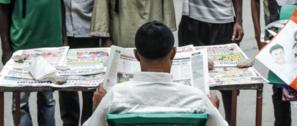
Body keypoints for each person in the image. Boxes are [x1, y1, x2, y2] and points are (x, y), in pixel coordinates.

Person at [83, 21, 228, 126]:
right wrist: (213, 108)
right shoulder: (197, 99)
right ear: (173, 53)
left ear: (136, 55)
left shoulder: (115, 96)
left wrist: (97, 104)